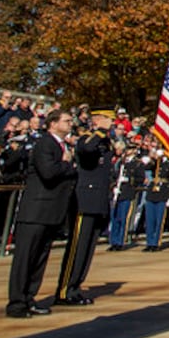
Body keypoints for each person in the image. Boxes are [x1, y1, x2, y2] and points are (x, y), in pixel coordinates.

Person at [5, 108, 76, 317]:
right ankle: (16, 302)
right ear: (53, 123)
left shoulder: (61, 145)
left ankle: (29, 298)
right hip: (36, 210)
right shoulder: (45, 143)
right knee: (25, 259)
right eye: (67, 120)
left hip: (50, 211)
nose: (70, 123)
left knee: (39, 259)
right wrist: (66, 164)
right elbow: (48, 172)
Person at [53, 109, 116, 305]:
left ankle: (76, 286)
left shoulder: (105, 142)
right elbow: (86, 150)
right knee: (77, 248)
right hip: (84, 200)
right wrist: (99, 132)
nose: (111, 123)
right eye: (108, 119)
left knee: (87, 249)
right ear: (97, 120)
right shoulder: (88, 139)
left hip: (98, 200)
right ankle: (65, 290)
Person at [108, 141, 144, 250]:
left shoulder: (138, 163)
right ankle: (113, 241)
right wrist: (113, 186)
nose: (127, 151)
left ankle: (120, 242)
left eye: (129, 149)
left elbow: (140, 179)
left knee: (123, 218)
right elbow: (113, 175)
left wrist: (129, 180)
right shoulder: (121, 161)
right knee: (114, 217)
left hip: (128, 192)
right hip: (117, 192)